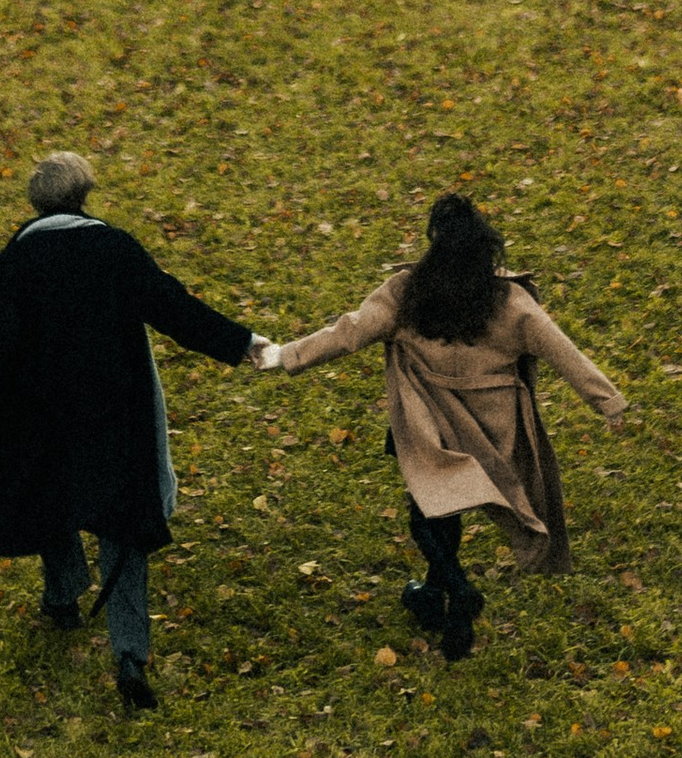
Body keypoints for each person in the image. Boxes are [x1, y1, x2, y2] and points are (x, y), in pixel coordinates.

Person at [0, 150, 258, 711]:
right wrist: (242, 343)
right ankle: (130, 654)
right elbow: (174, 308)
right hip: (112, 413)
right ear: (85, 193)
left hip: (34, 415)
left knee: (47, 499)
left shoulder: (19, 256)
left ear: (36, 202)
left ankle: (63, 595)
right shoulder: (114, 247)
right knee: (122, 526)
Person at [258, 191, 626, 660]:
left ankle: (456, 589)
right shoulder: (510, 302)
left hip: (427, 422)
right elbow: (562, 351)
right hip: (490, 427)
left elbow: (348, 333)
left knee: (427, 514)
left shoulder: (406, 294)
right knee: (440, 509)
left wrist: (284, 356)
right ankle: (437, 597)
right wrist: (607, 401)